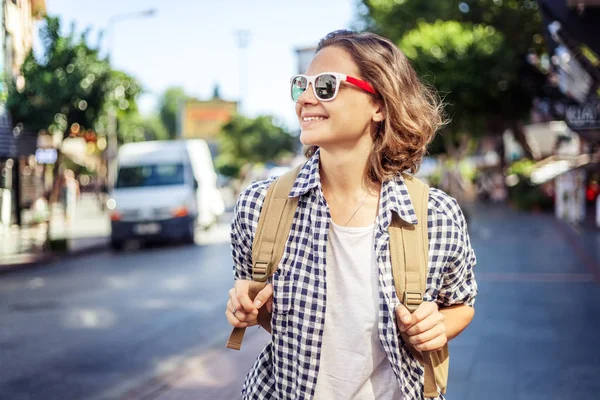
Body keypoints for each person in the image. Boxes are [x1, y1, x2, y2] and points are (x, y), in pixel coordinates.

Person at [226, 30, 478, 400]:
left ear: (378, 104)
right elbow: (261, 306)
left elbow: (460, 303)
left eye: (327, 85)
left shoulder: (435, 214)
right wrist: (246, 306)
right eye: (302, 85)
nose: (306, 99)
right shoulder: (259, 205)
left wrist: (436, 325)